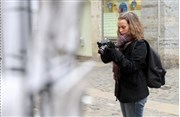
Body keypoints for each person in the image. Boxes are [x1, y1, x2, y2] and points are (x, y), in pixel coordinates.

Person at [98, 11, 149, 117]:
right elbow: (106, 60)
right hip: (124, 92)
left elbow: (130, 67)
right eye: (119, 27)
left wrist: (114, 52)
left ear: (133, 26)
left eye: (123, 27)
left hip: (135, 94)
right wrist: (105, 52)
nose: (120, 31)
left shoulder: (140, 45)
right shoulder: (121, 43)